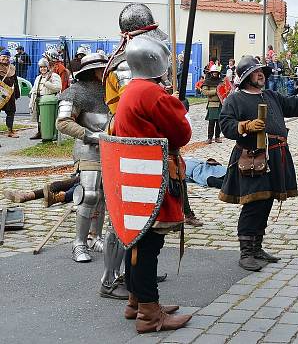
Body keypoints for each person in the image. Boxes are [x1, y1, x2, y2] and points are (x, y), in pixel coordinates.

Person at [218, 56, 298, 271]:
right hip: (252, 157)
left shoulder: (271, 95)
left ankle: (256, 248)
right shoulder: (235, 99)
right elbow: (226, 125)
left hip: (276, 155)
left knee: (267, 202)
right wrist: (246, 126)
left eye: (262, 72)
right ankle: (246, 252)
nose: (261, 75)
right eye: (256, 72)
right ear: (246, 76)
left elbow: (294, 104)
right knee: (253, 204)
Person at [111, 35, 192, 332]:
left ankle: (136, 301)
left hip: (135, 175)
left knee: (138, 242)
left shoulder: (132, 89)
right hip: (152, 176)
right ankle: (149, 312)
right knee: (148, 246)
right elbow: (181, 134)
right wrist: (176, 106)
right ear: (157, 61)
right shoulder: (152, 93)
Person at [56, 53, 131, 299]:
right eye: (100, 69)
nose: (104, 72)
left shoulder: (111, 91)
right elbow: (63, 122)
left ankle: (97, 237)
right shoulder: (76, 92)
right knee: (89, 195)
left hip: (112, 149)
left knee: (106, 197)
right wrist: (91, 135)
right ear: (91, 71)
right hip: (88, 150)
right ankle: (79, 242)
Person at [29, 58, 62, 139]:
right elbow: (35, 87)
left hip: (49, 100)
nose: (42, 69)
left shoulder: (54, 76)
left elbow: (58, 87)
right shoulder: (38, 77)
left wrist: (47, 84)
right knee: (39, 117)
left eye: (44, 67)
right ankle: (40, 132)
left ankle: (51, 133)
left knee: (49, 117)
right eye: (41, 67)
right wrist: (31, 93)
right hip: (38, 99)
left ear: (47, 67)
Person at [0, 50, 21, 139]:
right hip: (0, 93)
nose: (5, 58)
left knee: (11, 112)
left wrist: (17, 93)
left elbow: (15, 81)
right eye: (3, 56)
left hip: (9, 93)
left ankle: (10, 131)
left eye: (7, 57)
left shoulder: (12, 67)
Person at [201, 65, 223, 144]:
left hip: (220, 103)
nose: (215, 73)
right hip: (212, 104)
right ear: (211, 73)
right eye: (214, 72)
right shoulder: (207, 81)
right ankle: (209, 138)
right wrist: (216, 91)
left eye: (216, 72)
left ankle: (217, 137)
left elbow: (224, 90)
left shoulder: (221, 81)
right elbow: (204, 92)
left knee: (219, 121)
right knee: (211, 121)